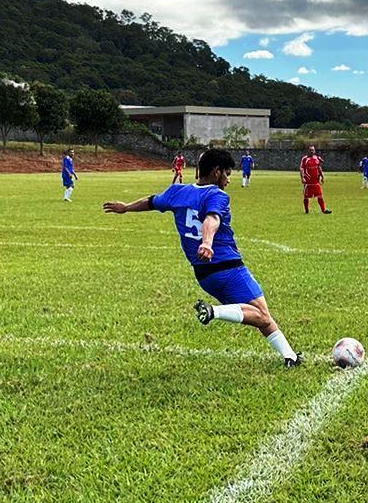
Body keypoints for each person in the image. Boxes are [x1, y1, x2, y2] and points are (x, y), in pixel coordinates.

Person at [102, 148, 301, 367]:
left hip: (204, 275)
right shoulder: (216, 195)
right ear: (216, 172)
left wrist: (126, 208)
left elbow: (150, 202)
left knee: (256, 314)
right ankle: (213, 311)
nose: (227, 181)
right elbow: (212, 219)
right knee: (261, 315)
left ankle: (290, 357)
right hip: (228, 268)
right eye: (226, 174)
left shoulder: (176, 192)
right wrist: (207, 242)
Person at [299, 145, 331, 214]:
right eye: (310, 150)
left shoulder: (317, 158)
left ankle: (323, 210)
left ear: (315, 150)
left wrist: (322, 176)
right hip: (308, 182)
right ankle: (306, 210)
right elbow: (301, 169)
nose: (312, 151)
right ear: (308, 151)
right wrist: (302, 178)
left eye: (313, 150)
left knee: (320, 196)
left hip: (316, 182)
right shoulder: (305, 159)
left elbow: (319, 168)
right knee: (306, 197)